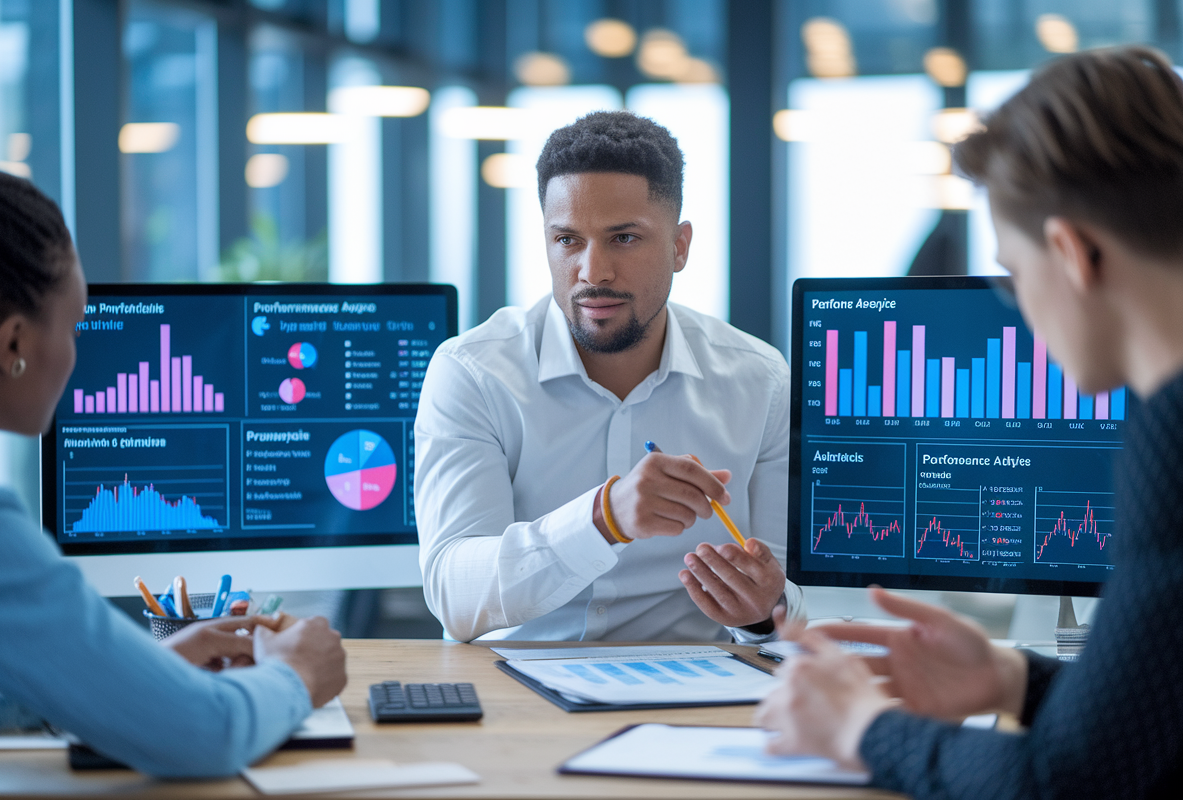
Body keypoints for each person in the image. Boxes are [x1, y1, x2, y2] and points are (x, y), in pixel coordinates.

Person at [753, 45, 1183, 798]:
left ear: (1072, 252)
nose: (1015, 309)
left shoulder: (1171, 432)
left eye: (1015, 277)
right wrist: (1012, 677)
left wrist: (861, 728)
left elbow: (1063, 785)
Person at [0, 117, 347, 799]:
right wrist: (295, 674)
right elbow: (206, 733)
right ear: (13, 342)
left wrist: (134, 675)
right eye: (77, 326)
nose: (81, 359)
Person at [415, 111, 803, 643]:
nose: (592, 271)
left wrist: (762, 612)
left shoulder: (760, 381)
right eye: (568, 240)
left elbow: (784, 599)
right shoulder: (473, 372)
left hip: (694, 695)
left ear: (680, 246)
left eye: (623, 238)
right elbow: (454, 595)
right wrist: (604, 518)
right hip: (518, 692)